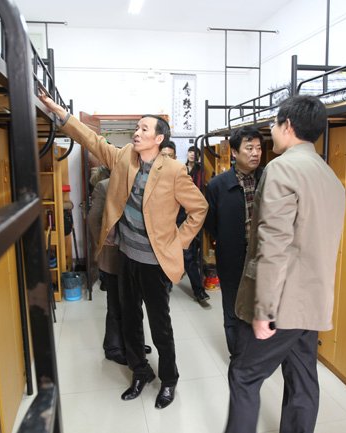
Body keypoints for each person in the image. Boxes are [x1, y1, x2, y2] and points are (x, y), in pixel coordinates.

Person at [39, 92, 208, 409]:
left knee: (160, 326)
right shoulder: (125, 157)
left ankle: (168, 380)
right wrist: (60, 113)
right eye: (137, 127)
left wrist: (179, 242)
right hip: (126, 257)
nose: (137, 132)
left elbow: (199, 208)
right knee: (129, 320)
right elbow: (91, 140)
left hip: (155, 263)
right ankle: (140, 372)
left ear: (158, 138)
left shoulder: (173, 170)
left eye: (144, 129)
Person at [224, 95, 346, 433]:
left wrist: (263, 310)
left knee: (244, 375)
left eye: (274, 125)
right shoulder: (329, 175)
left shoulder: (281, 169)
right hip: (313, 301)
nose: (271, 132)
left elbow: (273, 245)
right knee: (303, 379)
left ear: (287, 126)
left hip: (283, 302)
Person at [204, 126, 263, 355]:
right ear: (235, 152)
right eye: (249, 148)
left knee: (260, 306)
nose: (255, 153)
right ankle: (237, 355)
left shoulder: (269, 178)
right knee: (232, 307)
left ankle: (256, 353)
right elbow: (210, 222)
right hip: (232, 257)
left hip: (263, 257)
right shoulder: (217, 185)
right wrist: (226, 240)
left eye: (258, 148)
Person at [88, 167, 153, 365]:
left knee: (133, 304)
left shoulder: (140, 186)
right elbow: (93, 219)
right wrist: (104, 242)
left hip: (136, 256)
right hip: (114, 256)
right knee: (116, 304)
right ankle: (113, 347)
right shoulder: (104, 186)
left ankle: (132, 343)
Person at [159, 141, 209, 303]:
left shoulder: (180, 174)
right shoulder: (153, 176)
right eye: (163, 155)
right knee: (164, 258)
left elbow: (198, 205)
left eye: (170, 156)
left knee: (188, 257)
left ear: (175, 157)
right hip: (162, 225)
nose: (166, 159)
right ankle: (166, 286)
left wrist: (185, 232)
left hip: (181, 222)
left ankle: (199, 290)